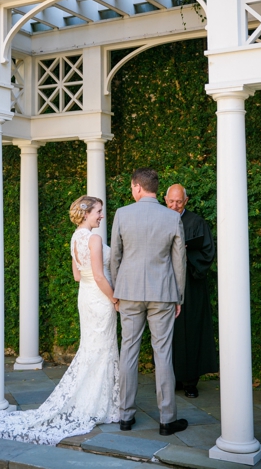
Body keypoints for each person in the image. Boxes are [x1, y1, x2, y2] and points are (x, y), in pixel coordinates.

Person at [0, 195, 119, 445]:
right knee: (102, 350)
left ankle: (90, 402)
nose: (101, 215)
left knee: (92, 349)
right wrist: (115, 300)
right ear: (86, 213)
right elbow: (99, 276)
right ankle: (99, 406)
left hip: (85, 296)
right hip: (99, 297)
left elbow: (78, 276)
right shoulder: (95, 238)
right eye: (98, 211)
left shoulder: (75, 237)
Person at [111, 167, 188, 437]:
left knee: (128, 351)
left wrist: (117, 290)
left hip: (129, 292)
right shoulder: (172, 217)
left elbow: (115, 257)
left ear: (138, 187)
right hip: (162, 293)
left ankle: (125, 417)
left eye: (132, 187)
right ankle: (167, 420)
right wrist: (178, 295)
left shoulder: (122, 214)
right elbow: (179, 260)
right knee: (163, 353)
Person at [165, 184, 218, 398]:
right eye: (171, 201)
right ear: (165, 199)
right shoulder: (160, 219)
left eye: (179, 201)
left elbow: (207, 252)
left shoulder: (197, 222)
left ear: (186, 201)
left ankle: (190, 382)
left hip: (192, 285)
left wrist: (185, 253)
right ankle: (174, 377)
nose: (175, 205)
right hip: (167, 284)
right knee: (170, 331)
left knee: (193, 330)